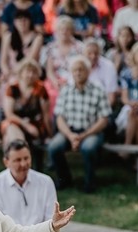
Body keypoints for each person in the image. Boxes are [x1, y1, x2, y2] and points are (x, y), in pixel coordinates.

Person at [48, 55, 111, 193]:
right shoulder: (65, 90)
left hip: (91, 131)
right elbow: (59, 118)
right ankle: (64, 179)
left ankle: (90, 182)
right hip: (69, 131)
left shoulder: (98, 90)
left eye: (81, 70)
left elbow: (104, 119)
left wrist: (83, 135)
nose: (78, 73)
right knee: (54, 147)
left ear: (88, 72)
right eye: (75, 70)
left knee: (88, 148)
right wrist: (71, 135)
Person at [0, 59, 52, 149]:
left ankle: (13, 158)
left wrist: (50, 135)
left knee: (8, 138)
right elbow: (9, 114)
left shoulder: (40, 89)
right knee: (11, 130)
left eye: (34, 72)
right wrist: (26, 125)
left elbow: (46, 115)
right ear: (21, 72)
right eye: (28, 71)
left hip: (35, 125)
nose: (30, 75)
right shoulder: (12, 88)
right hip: (16, 122)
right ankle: (20, 152)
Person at [85, 39, 119, 106]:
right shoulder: (78, 65)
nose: (93, 56)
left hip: (102, 105)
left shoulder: (109, 66)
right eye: (89, 53)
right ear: (83, 53)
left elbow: (111, 97)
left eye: (96, 53)